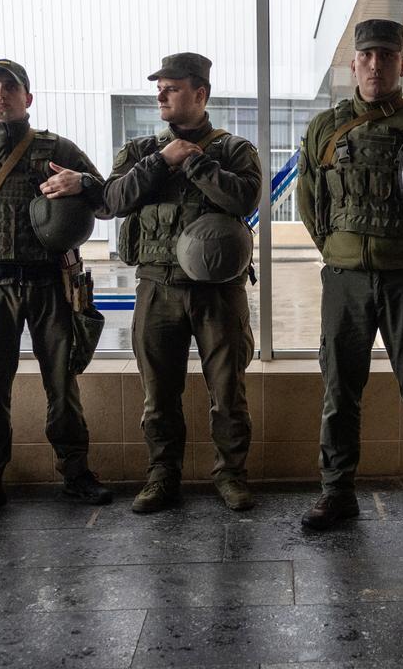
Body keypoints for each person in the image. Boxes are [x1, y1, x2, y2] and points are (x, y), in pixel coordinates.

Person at [295, 19, 403, 543]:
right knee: (339, 388)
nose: (376, 64)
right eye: (367, 55)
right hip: (345, 281)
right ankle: (337, 490)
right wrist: (336, 252)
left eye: (387, 56)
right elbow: (309, 200)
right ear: (353, 64)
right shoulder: (325, 127)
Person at [0, 58, 113, 521]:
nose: (0, 93)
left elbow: (108, 201)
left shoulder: (58, 149)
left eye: (10, 86)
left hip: (52, 285)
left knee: (63, 385)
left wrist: (82, 181)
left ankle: (75, 473)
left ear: (27, 98)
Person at [102, 52, 261, 513]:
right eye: (159, 87)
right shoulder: (138, 152)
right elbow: (110, 201)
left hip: (218, 292)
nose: (161, 94)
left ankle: (231, 476)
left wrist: (194, 164)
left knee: (228, 392)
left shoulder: (233, 150)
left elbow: (246, 198)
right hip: (156, 287)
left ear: (200, 93)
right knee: (158, 395)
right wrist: (160, 161)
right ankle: (162, 476)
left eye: (171, 87)